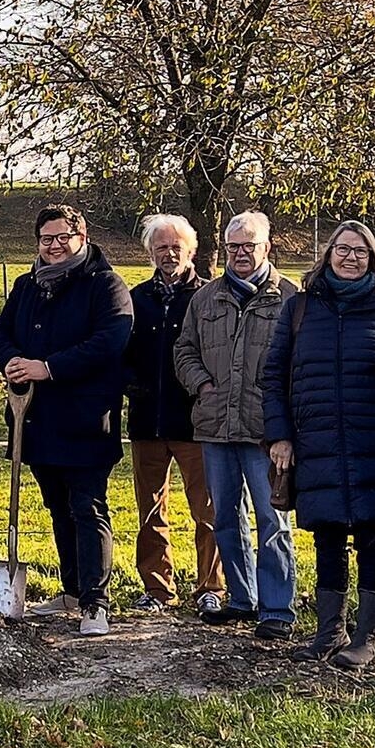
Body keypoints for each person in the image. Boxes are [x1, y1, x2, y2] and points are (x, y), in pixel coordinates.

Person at [262, 220, 375, 668]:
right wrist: (280, 434)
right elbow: (273, 375)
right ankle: (329, 632)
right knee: (326, 538)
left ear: (373, 261)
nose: (351, 258)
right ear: (327, 255)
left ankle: (366, 636)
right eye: (343, 250)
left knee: (374, 540)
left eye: (361, 252)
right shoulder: (301, 309)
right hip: (317, 442)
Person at [0, 204, 133, 638]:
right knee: (56, 507)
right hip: (37, 419)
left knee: (87, 508)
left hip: (86, 420)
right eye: (46, 239)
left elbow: (109, 342)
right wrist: (12, 360)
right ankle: (71, 590)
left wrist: (48, 368)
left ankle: (95, 601)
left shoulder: (105, 285)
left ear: (81, 239)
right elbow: (0, 333)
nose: (54, 246)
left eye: (62, 238)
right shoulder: (27, 285)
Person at [175, 210, 298, 640]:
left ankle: (278, 608)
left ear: (267, 247)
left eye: (250, 245)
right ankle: (241, 599)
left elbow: (301, 366)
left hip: (266, 433)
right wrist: (202, 384)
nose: (241, 254)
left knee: (273, 521)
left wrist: (284, 424)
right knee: (224, 518)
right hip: (215, 428)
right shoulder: (205, 298)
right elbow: (184, 350)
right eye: (234, 247)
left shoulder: (290, 298)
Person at [122, 214, 224, 616]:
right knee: (149, 511)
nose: (168, 254)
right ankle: (158, 588)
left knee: (207, 509)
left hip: (195, 422)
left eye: (175, 247)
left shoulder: (208, 297)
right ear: (150, 252)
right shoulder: (136, 298)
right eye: (161, 247)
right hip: (148, 420)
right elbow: (121, 353)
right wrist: (131, 384)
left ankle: (211, 586)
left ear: (192, 250)